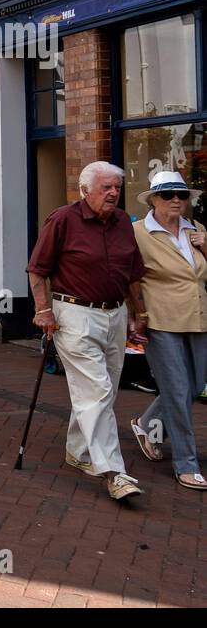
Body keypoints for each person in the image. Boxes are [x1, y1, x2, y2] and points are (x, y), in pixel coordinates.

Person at [27, 161, 144, 502]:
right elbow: (38, 269)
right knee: (97, 390)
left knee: (103, 389)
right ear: (84, 190)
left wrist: (140, 312)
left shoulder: (123, 222)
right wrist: (42, 310)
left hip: (116, 314)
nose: (113, 193)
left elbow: (133, 272)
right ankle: (114, 471)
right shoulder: (63, 219)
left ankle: (78, 452)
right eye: (106, 187)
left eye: (117, 188)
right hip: (74, 313)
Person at [128, 172, 207, 491]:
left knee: (195, 385)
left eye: (182, 194)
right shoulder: (137, 232)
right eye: (168, 194)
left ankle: (146, 425)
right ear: (153, 200)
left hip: (199, 315)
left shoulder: (197, 229)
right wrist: (136, 315)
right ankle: (186, 463)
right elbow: (130, 277)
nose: (176, 200)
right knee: (176, 390)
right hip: (159, 318)